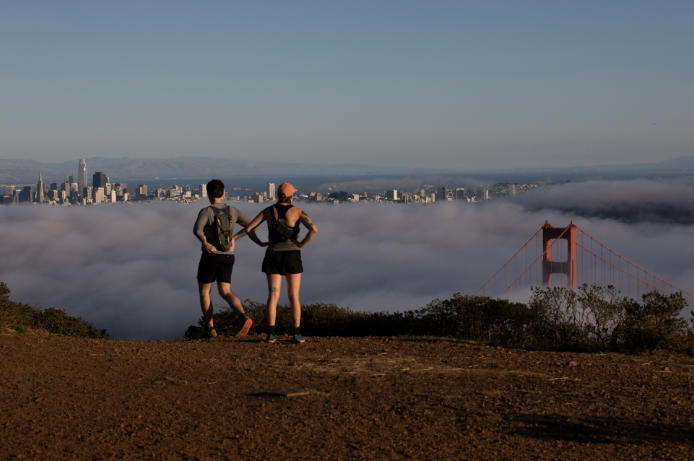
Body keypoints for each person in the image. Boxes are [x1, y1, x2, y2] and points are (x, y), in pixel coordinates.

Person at [241, 183, 317, 343]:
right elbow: (313, 229)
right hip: (292, 255)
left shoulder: (268, 211)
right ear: (291, 196)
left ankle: (271, 334)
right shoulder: (297, 211)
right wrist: (301, 244)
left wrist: (260, 243)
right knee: (293, 296)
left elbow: (248, 229)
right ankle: (296, 333)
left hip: (273, 254)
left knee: (273, 295)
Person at [193, 179, 256, 338]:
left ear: (208, 193)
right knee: (226, 291)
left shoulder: (206, 211)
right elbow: (251, 225)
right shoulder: (232, 210)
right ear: (223, 193)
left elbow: (197, 230)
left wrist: (205, 242)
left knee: (205, 291)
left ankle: (210, 329)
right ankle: (243, 316)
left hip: (210, 257)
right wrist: (235, 238)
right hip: (228, 256)